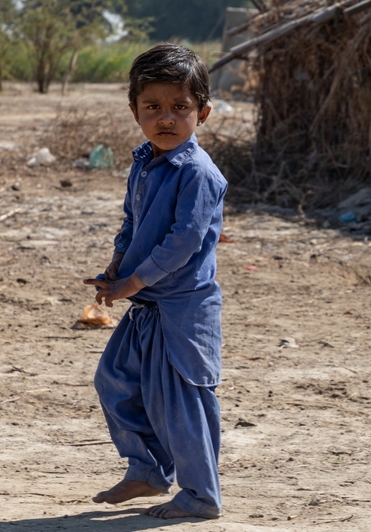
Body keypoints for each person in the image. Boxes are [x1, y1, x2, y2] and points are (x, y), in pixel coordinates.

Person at [84, 43, 227, 520]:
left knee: (179, 401)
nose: (166, 118)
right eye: (153, 107)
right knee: (115, 380)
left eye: (179, 108)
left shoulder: (199, 173)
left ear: (202, 113)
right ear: (134, 111)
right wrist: (115, 268)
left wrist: (133, 281)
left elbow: (184, 241)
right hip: (146, 301)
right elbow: (132, 221)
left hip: (182, 307)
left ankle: (201, 496)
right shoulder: (144, 162)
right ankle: (146, 469)